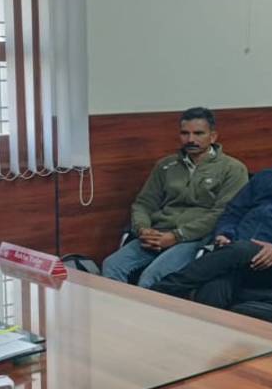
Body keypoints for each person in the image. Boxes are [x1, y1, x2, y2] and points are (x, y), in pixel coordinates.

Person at [153, 116, 272, 312]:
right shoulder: (267, 176)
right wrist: (225, 233)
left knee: (239, 252)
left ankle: (161, 291)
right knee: (213, 289)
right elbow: (233, 211)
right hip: (233, 255)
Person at [101, 107, 247, 290]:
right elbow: (144, 203)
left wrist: (177, 236)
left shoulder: (233, 169)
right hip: (157, 233)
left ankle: (145, 311)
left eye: (198, 133)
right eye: (185, 133)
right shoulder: (166, 165)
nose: (190, 139)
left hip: (195, 238)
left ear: (213, 136)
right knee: (111, 265)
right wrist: (143, 229)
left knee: (151, 278)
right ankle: (119, 309)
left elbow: (222, 213)